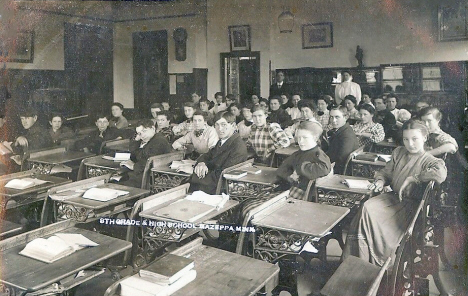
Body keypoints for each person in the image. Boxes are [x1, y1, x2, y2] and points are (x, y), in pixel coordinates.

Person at [342, 119, 447, 266]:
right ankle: (358, 266)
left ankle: (368, 265)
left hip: (409, 207)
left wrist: (414, 178)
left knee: (367, 210)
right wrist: (380, 181)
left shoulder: (430, 160)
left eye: (414, 139)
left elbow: (440, 175)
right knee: (365, 209)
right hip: (391, 199)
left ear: (424, 137)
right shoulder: (399, 152)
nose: (410, 144)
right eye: (406, 139)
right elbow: (385, 173)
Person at [186, 111, 249, 194]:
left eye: (223, 125)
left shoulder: (237, 147)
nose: (220, 129)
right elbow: (207, 155)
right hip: (210, 184)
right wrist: (201, 163)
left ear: (233, 126)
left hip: (219, 190)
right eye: (217, 125)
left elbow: (222, 176)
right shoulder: (223, 141)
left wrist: (193, 173)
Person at [276, 121, 331, 200]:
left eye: (305, 138)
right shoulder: (298, 154)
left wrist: (298, 170)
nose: (300, 141)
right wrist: (290, 176)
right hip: (292, 190)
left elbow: (325, 168)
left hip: (301, 196)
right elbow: (282, 168)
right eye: (298, 138)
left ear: (315, 138)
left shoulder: (318, 154)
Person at [120, 119, 172, 188]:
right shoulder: (153, 140)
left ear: (153, 128)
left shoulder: (158, 142)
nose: (142, 135)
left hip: (148, 179)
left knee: (115, 183)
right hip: (147, 176)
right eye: (139, 133)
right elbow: (136, 154)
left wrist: (133, 166)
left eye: (144, 131)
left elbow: (147, 161)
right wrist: (136, 140)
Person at [323, 106, 359, 175]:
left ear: (346, 117)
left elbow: (341, 159)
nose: (333, 120)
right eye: (331, 117)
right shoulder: (342, 130)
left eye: (337, 117)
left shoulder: (347, 135)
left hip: (337, 171)